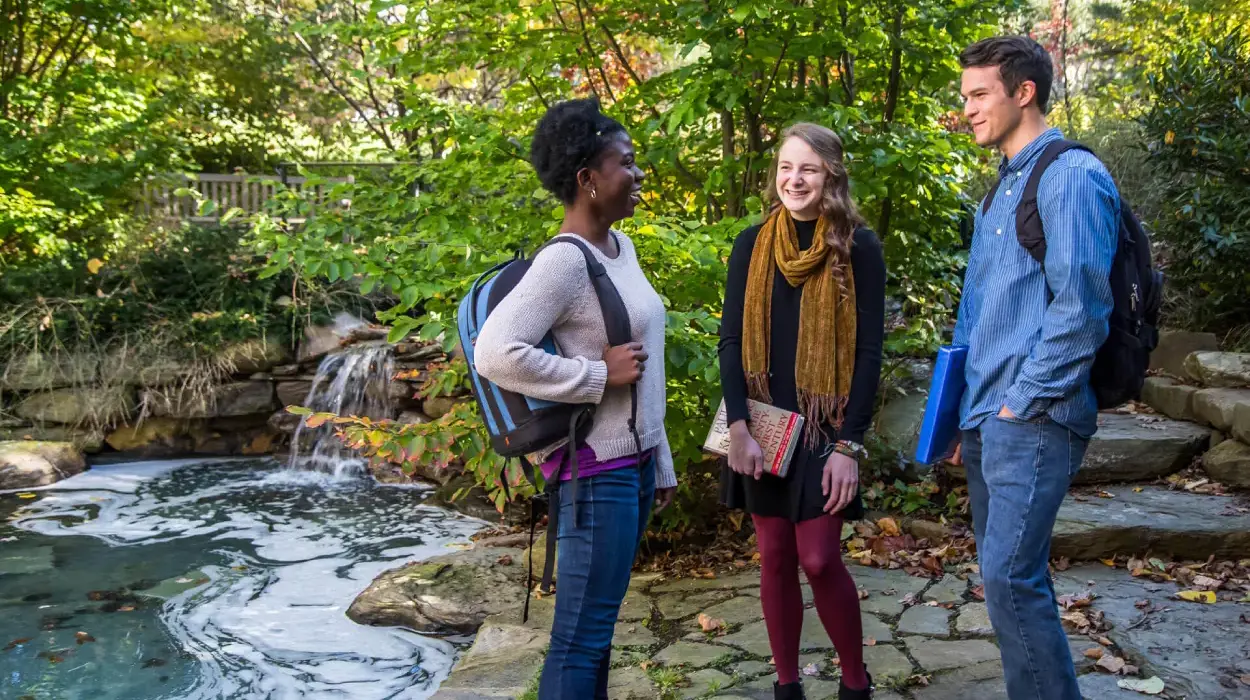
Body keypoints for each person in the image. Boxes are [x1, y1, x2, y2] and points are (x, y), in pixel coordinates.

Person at [473, 98, 677, 700]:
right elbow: (495, 352)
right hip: (595, 474)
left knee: (598, 628)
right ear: (588, 179)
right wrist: (594, 374)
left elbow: (649, 367)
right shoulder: (562, 262)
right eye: (627, 163)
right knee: (579, 639)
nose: (638, 176)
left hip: (633, 465)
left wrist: (659, 457)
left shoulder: (622, 251)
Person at [951, 36, 1119, 700]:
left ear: (1024, 93)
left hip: (1034, 417)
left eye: (979, 94)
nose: (966, 109)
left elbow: (1082, 306)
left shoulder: (1071, 176)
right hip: (990, 419)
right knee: (1008, 581)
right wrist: (967, 415)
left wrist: (1021, 401)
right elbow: (981, 316)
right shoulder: (1002, 188)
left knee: (1012, 579)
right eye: (964, 96)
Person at [718, 123, 885, 700]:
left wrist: (849, 445)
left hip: (825, 428)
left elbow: (867, 353)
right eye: (786, 168)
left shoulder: (858, 247)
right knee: (773, 556)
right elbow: (731, 342)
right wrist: (738, 426)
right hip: (763, 424)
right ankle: (786, 685)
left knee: (817, 558)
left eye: (808, 169)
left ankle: (855, 683)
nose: (795, 179)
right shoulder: (751, 244)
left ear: (831, 176)